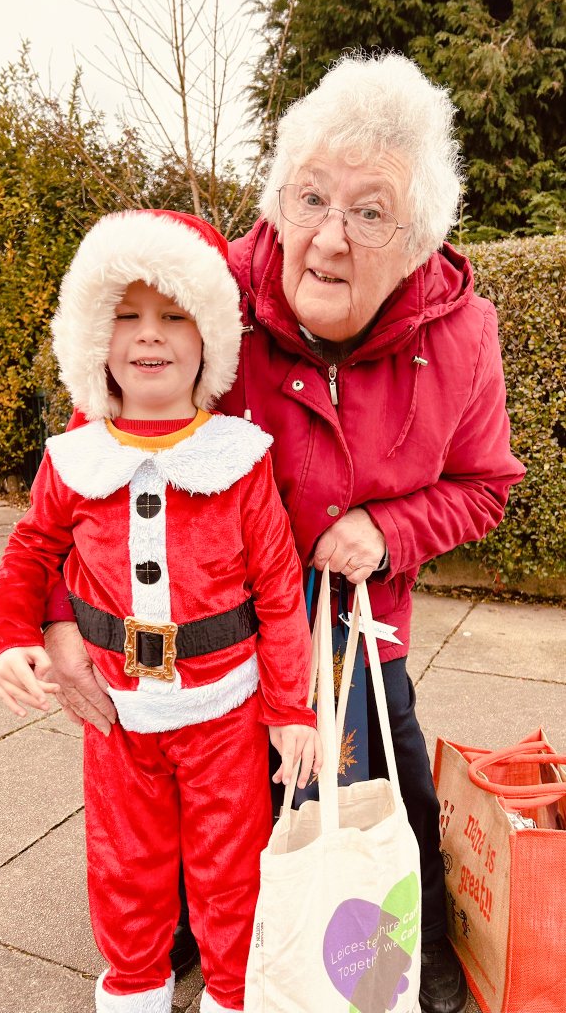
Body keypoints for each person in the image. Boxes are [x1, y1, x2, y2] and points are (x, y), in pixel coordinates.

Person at [40, 53, 526, 1013]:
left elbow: (483, 487)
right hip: (202, 634)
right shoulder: (209, 302)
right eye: (309, 198)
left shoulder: (461, 334)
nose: (330, 239)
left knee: (379, 798)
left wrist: (384, 529)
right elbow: (92, 465)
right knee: (200, 817)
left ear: (417, 237)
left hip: (346, 631)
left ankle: (401, 956)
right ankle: (194, 940)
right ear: (276, 200)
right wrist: (58, 618)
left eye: (369, 211)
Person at [0, 209, 322, 1013]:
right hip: (118, 719)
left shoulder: (239, 462)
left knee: (230, 869)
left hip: (224, 716)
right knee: (125, 866)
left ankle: (233, 995)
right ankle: (132, 989)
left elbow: (279, 592)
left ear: (209, 338)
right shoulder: (74, 458)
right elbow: (31, 553)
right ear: (94, 340)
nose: (150, 335)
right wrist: (7, 639)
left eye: (174, 315)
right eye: (127, 316)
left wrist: (289, 709)